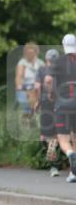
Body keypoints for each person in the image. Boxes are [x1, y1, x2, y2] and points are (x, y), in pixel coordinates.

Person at [45, 34, 76, 183]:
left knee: (63, 139)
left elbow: (48, 80)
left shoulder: (58, 61)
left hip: (63, 104)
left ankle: (70, 153)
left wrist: (51, 93)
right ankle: (74, 172)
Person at [35, 49, 62, 177]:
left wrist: (38, 101)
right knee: (57, 135)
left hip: (46, 103)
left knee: (45, 136)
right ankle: (55, 164)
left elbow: (36, 86)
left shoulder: (41, 70)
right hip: (61, 103)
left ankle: (54, 165)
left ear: (46, 59)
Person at [15, 43, 44, 124]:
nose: (30, 54)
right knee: (26, 104)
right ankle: (27, 122)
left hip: (37, 85)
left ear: (35, 52)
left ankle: (38, 120)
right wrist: (19, 85)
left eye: (31, 52)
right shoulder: (22, 62)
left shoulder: (40, 62)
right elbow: (19, 75)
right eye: (28, 52)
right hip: (26, 85)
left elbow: (45, 74)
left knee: (40, 103)